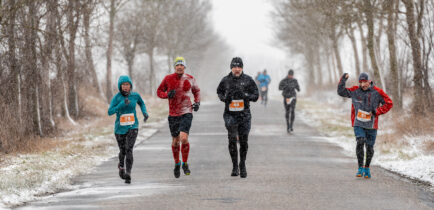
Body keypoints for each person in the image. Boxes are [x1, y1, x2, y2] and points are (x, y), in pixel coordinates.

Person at [337, 72, 393, 179]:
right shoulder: (355, 91)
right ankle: (360, 168)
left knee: (370, 148)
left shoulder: (377, 92)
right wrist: (343, 79)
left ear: (369, 81)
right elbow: (341, 92)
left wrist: (377, 111)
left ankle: (367, 167)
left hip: (372, 125)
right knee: (360, 141)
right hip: (358, 123)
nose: (363, 85)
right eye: (361, 82)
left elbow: (389, 103)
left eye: (365, 82)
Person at [157, 57, 200, 178]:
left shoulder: (190, 78)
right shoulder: (168, 78)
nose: (180, 67)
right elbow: (159, 91)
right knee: (175, 142)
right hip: (173, 114)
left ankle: (185, 163)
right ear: (175, 67)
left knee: (183, 138)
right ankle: (177, 163)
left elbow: (197, 91)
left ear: (184, 67)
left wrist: (197, 102)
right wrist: (166, 95)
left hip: (186, 112)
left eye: (182, 65)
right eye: (177, 65)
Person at [217, 57, 259, 178]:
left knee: (244, 141)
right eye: (234, 67)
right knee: (232, 139)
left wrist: (245, 96)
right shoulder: (225, 80)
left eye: (239, 67)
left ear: (242, 68)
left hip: (244, 115)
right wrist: (225, 98)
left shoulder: (248, 80)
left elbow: (255, 96)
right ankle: (235, 166)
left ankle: (242, 164)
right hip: (230, 115)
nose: (237, 69)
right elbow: (219, 92)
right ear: (231, 67)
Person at [108, 75, 149, 184]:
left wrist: (145, 113)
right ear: (120, 86)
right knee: (123, 151)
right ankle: (121, 166)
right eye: (123, 85)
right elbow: (110, 112)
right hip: (120, 129)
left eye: (127, 84)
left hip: (133, 126)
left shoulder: (135, 96)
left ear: (130, 85)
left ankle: (128, 173)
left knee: (129, 149)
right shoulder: (117, 98)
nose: (125, 87)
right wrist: (121, 105)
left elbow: (142, 103)